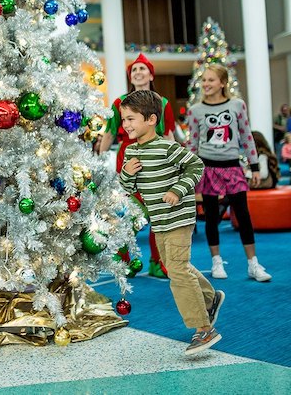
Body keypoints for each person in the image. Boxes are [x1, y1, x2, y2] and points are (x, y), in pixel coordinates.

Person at [118, 90, 223, 356]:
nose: (126, 125)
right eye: (124, 120)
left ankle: (203, 328)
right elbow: (127, 188)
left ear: (151, 119)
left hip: (179, 217)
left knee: (176, 270)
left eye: (131, 119)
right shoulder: (131, 150)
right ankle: (211, 298)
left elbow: (195, 166)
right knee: (177, 266)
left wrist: (177, 190)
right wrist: (126, 173)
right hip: (159, 219)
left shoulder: (167, 146)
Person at [186, 65, 272, 282]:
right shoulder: (195, 111)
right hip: (207, 168)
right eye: (204, 80)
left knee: (243, 214)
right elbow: (192, 143)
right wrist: (190, 171)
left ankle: (253, 264)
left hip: (233, 167)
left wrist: (254, 167)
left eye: (211, 80)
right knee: (212, 216)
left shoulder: (237, 105)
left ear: (222, 83)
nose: (206, 84)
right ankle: (216, 261)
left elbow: (246, 137)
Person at [98, 53, 175, 278]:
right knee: (126, 213)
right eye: (134, 70)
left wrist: (175, 162)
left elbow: (169, 135)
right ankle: (123, 261)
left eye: (143, 69)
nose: (138, 73)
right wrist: (100, 159)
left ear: (151, 74)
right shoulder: (119, 103)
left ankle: (158, 262)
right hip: (128, 161)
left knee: (158, 214)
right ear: (130, 77)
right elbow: (110, 132)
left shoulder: (163, 103)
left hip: (156, 161)